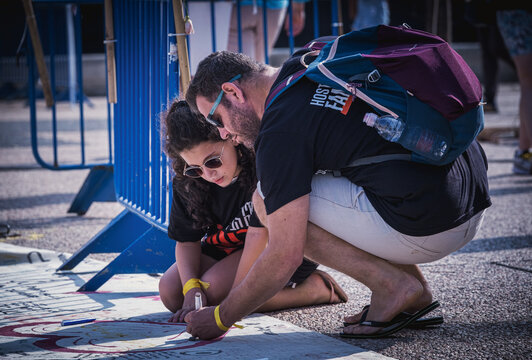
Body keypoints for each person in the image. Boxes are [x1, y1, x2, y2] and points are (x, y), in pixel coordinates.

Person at [183, 47, 491, 339]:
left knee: (265, 200)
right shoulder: (309, 63)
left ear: (233, 92)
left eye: (216, 119)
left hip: (436, 223)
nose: (223, 134)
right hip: (470, 196)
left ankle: (391, 285)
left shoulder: (280, 129)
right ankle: (416, 293)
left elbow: (284, 256)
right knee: (338, 168)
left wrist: (221, 317)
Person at [158, 100, 347, 323]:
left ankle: (315, 289)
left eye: (213, 161)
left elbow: (261, 236)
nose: (208, 175)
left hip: (274, 244)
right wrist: (191, 287)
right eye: (195, 168)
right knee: (172, 294)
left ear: (230, 137)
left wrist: (233, 302)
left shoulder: (262, 162)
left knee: (215, 294)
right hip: (230, 248)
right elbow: (186, 240)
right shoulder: (188, 181)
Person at [496, 6, 532, 174]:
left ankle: (524, 154)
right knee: (529, 82)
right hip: (517, 10)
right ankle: (524, 155)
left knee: (528, 84)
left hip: (514, 11)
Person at [228, 0, 307, 63]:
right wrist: (298, 6)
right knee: (250, 66)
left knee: (249, 66)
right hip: (272, 7)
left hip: (271, 7)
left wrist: (298, 6)